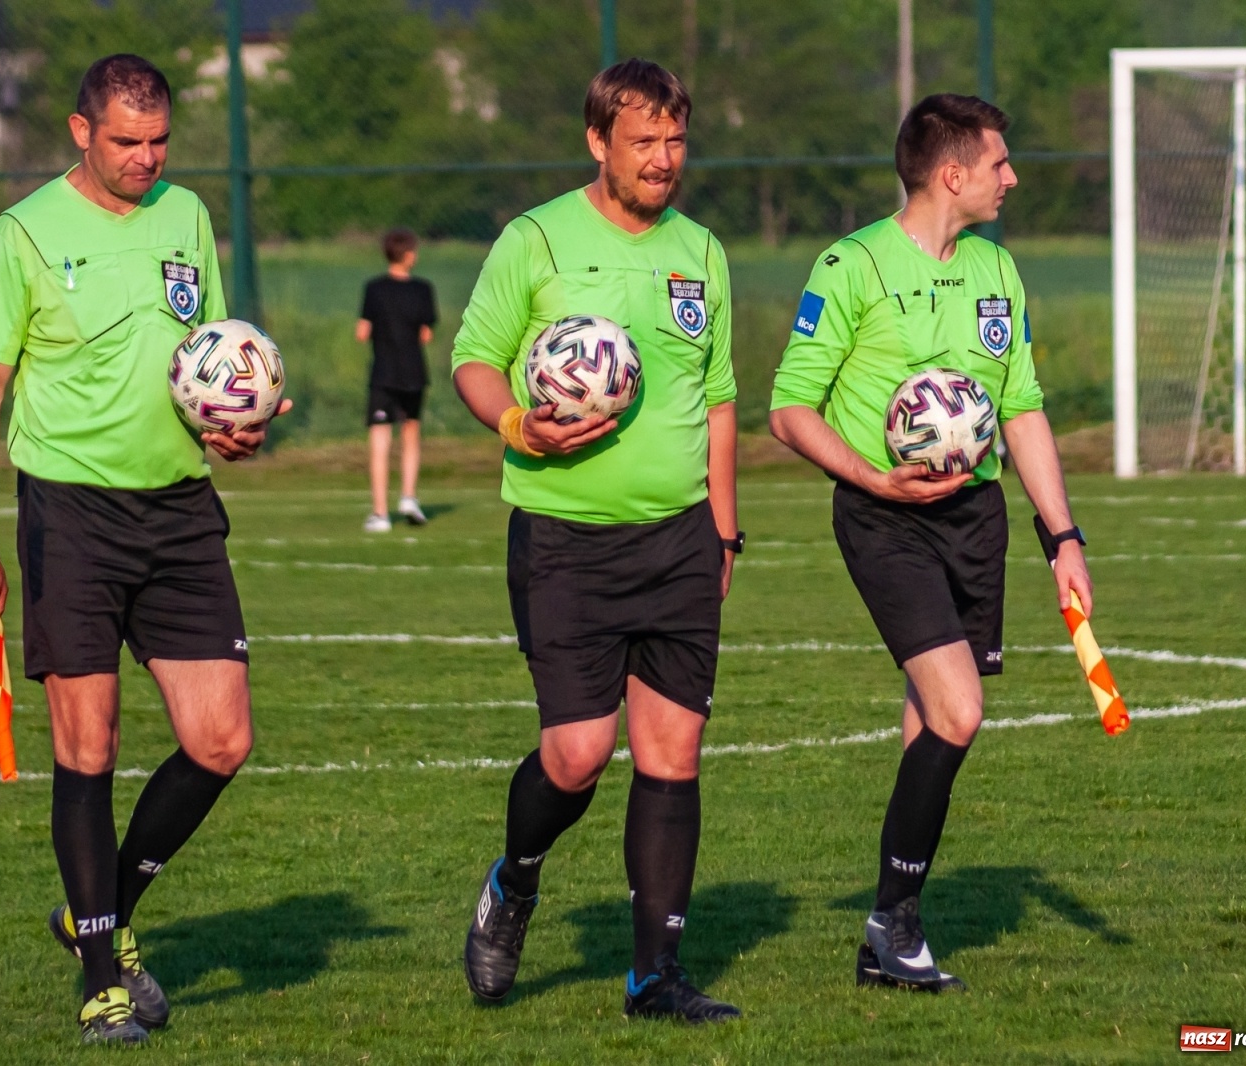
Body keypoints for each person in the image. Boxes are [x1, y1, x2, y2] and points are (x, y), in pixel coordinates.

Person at [0, 54, 289, 1044]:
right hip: (72, 514)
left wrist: (236, 425)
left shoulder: (184, 217)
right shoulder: (23, 235)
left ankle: (100, 913)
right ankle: (103, 978)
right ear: (79, 132)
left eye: (159, 142)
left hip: (181, 510)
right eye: (126, 142)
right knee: (85, 745)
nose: (146, 159)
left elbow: (208, 360)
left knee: (220, 739)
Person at [768, 94, 1093, 992]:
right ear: (952, 174)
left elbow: (1021, 407)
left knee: (931, 719)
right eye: (1000, 161)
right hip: (884, 516)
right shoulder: (853, 266)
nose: (1012, 177)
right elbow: (788, 409)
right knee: (958, 712)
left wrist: (1061, 536)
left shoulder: (997, 268)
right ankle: (893, 922)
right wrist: (874, 478)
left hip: (974, 522)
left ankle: (889, 935)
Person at [450, 58, 743, 1023]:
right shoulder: (534, 240)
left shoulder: (701, 251)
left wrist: (724, 525)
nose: (663, 161)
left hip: (679, 540)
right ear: (598, 143)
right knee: (576, 754)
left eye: (675, 141)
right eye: (643, 142)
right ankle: (516, 882)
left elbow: (720, 397)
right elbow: (474, 361)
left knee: (672, 755)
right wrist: (516, 426)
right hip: (566, 541)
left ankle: (654, 977)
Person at [357, 228, 438, 532]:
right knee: (411, 434)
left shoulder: (374, 289)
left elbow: (362, 332)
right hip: (415, 373)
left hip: (383, 374)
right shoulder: (423, 289)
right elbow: (426, 334)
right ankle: (409, 497)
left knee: (380, 440)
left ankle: (380, 513)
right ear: (406, 255)